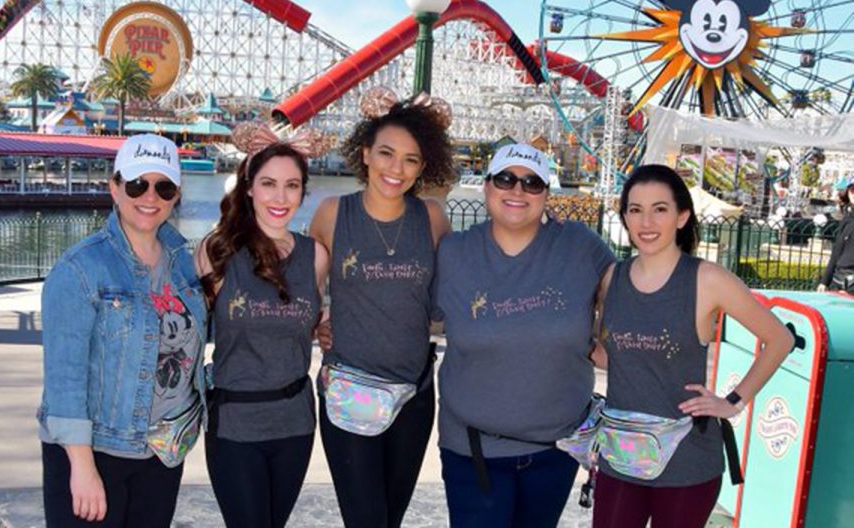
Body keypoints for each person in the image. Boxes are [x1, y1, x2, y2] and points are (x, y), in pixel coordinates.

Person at [592, 164, 793, 528]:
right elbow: (611, 357)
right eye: (635, 210)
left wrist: (732, 402)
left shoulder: (707, 279)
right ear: (624, 217)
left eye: (660, 209)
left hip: (687, 461)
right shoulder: (612, 278)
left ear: (682, 216)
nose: (646, 222)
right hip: (623, 456)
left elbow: (780, 338)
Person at [432, 143, 616, 527]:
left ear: (547, 194)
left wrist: (608, 345)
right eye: (506, 179)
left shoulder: (581, 247)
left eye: (533, 183)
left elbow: (636, 296)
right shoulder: (453, 253)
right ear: (486, 187)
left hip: (556, 450)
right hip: (474, 451)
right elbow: (411, 316)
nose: (518, 191)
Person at [38, 134, 208, 527]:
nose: (150, 197)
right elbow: (65, 378)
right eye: (137, 184)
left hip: (163, 452)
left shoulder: (185, 261)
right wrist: (82, 468)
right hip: (97, 451)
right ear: (114, 187)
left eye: (163, 187)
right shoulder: (81, 268)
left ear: (175, 194)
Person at [310, 93, 456, 528]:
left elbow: (453, 292)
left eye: (411, 160)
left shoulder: (431, 217)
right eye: (387, 154)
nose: (396, 169)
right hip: (350, 391)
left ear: (422, 167)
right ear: (365, 154)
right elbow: (303, 284)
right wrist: (320, 320)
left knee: (391, 517)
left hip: (414, 393)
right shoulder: (334, 213)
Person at [194, 130, 330, 528]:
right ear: (249, 188)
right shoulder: (216, 252)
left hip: (295, 421)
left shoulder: (314, 256)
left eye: (292, 186)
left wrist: (324, 322)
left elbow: (305, 318)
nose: (280, 197)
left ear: (304, 192)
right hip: (235, 423)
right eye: (268, 184)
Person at [818, 176, 854, 294]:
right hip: (839, 279)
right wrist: (825, 281)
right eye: (852, 190)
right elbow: (837, 250)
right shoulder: (847, 218)